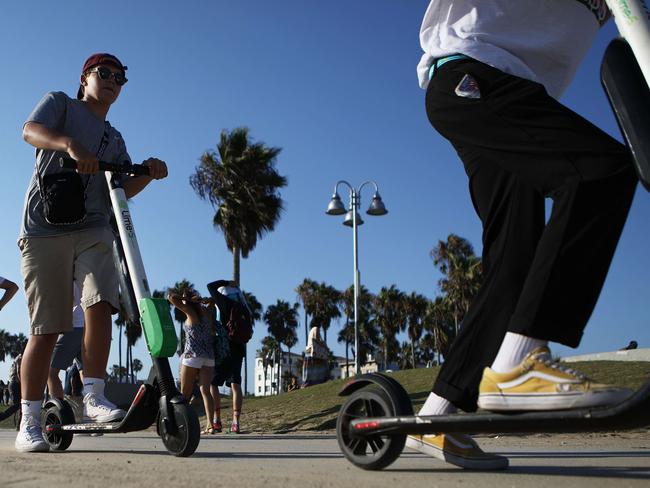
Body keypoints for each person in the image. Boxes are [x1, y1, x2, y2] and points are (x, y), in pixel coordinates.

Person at [409, 1, 637, 470]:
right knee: (598, 173)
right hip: (473, 73)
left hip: (511, 93)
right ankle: (520, 362)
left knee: (515, 259)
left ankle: (437, 413)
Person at [16, 53, 168, 453]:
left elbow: (117, 190)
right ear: (85, 78)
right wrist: (67, 143)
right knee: (46, 330)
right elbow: (29, 130)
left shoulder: (114, 139)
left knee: (101, 302)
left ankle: (94, 395)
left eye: (121, 77)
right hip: (44, 229)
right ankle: (29, 420)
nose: (114, 81)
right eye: (106, 73)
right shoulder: (61, 104)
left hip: (93, 227)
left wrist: (146, 174)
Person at [167, 292, 216, 435]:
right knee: (206, 392)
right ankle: (210, 425)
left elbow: (171, 297)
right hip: (208, 357)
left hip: (192, 356)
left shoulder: (190, 312)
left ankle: (181, 424)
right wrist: (203, 300)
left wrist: (185, 299)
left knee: (185, 394)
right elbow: (213, 301)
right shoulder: (206, 312)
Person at [208, 279, 251, 434]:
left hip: (224, 347)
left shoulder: (225, 302)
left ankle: (217, 420)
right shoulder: (243, 305)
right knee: (235, 383)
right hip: (239, 348)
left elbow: (210, 286)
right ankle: (236, 423)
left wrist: (226, 282)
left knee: (213, 383)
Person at [47, 283, 85, 400]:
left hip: (75, 325)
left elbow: (63, 304)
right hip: (90, 326)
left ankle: (58, 409)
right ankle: (92, 404)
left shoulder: (67, 275)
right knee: (85, 371)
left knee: (49, 372)